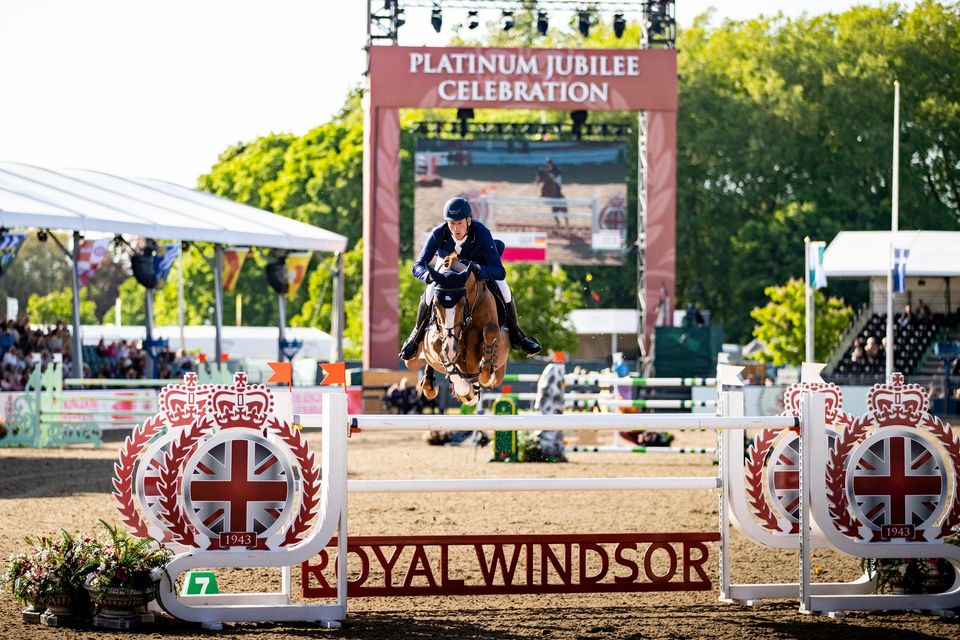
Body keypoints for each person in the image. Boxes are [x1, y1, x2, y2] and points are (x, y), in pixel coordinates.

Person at [399, 196, 541, 360]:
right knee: (430, 292)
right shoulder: (438, 232)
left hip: (477, 265)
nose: (455, 228)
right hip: (447, 266)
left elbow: (499, 271)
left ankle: (517, 335)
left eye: (459, 223)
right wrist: (428, 276)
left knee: (504, 289)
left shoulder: (481, 233)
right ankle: (415, 336)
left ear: (468, 220)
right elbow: (417, 266)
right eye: (451, 223)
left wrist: (477, 269)